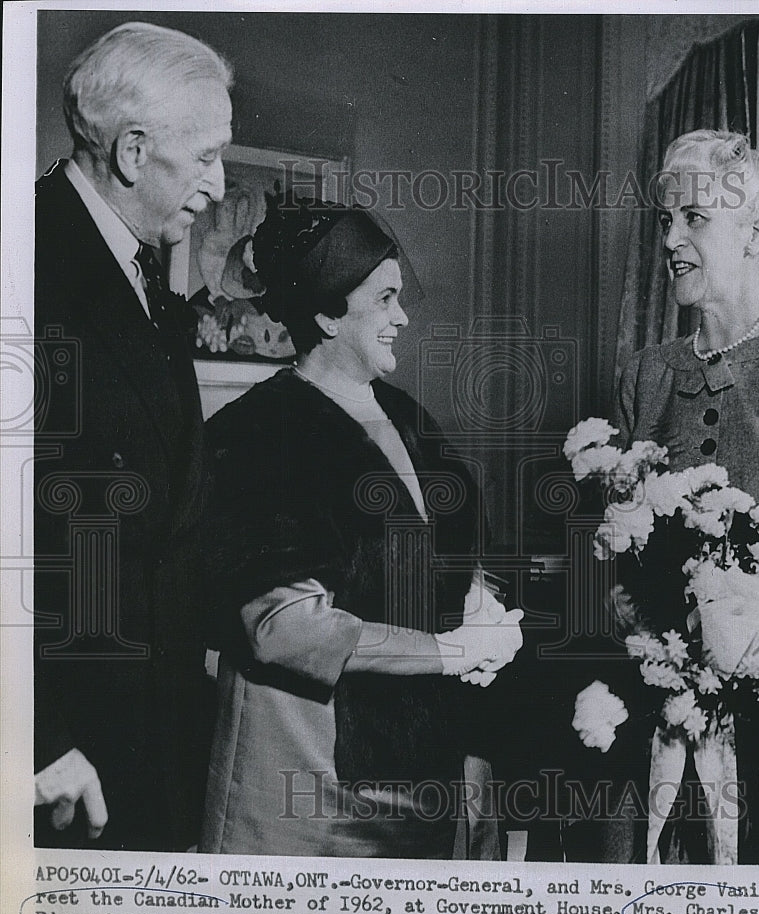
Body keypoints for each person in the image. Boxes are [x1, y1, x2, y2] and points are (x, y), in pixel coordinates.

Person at [199, 194, 523, 857]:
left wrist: (483, 606)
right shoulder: (259, 431)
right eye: (383, 300)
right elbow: (283, 628)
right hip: (315, 786)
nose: (403, 317)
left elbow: (461, 544)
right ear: (325, 314)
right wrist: (455, 652)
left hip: (418, 763)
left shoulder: (406, 417)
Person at [33, 22, 233, 850]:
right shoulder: (29, 259)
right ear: (133, 152)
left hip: (151, 740)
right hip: (68, 763)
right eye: (207, 157)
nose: (220, 185)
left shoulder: (145, 272)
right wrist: (36, 743)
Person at [612, 129, 759, 863]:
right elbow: (620, 543)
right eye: (665, 221)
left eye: (694, 218)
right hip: (658, 716)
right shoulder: (648, 374)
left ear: (756, 232)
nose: (671, 238)